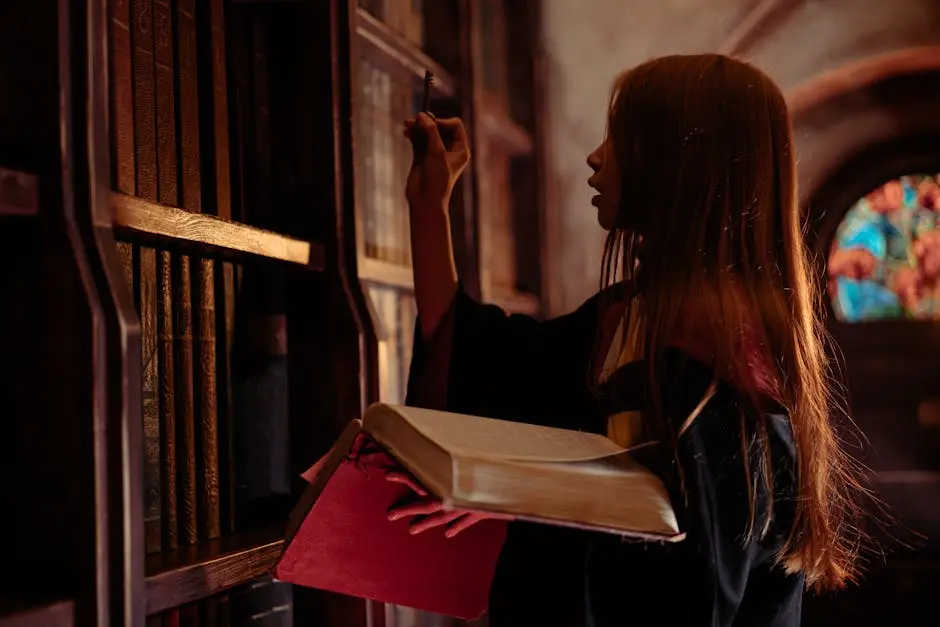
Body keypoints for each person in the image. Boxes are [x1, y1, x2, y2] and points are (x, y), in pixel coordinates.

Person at [392, 54, 868, 627]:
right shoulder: (634, 315)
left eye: (618, 139)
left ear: (676, 162)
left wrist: (534, 505)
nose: (595, 159)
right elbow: (492, 360)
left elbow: (690, 600)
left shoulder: (718, 363)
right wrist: (429, 206)